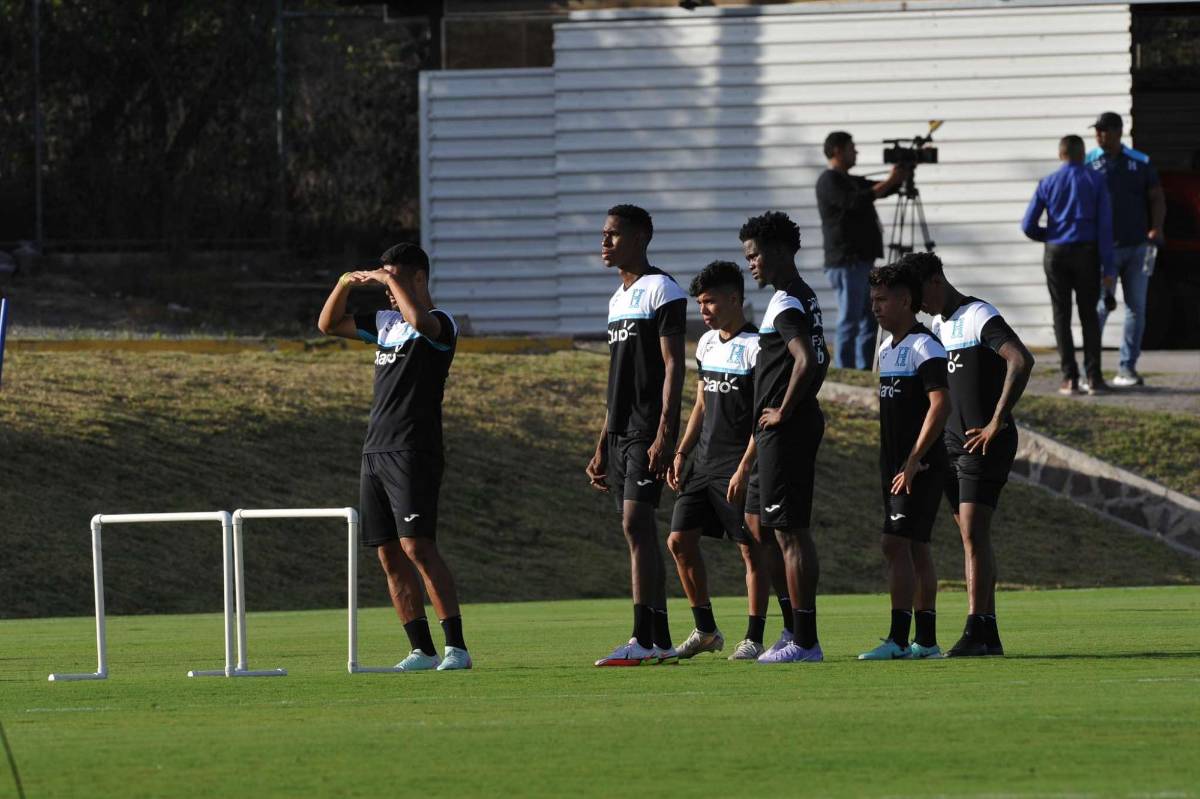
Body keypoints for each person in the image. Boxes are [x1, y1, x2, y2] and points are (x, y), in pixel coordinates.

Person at [316, 243, 471, 671]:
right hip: (375, 451)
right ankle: (422, 649)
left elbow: (420, 320)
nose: (386, 288)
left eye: (396, 278)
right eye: (384, 278)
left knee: (417, 546)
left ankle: (457, 647)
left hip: (413, 450)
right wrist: (345, 282)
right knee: (387, 553)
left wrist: (387, 280)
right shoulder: (385, 325)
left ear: (418, 278)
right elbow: (328, 324)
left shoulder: (441, 323)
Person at [910, 252, 1034, 658]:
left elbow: (1020, 358)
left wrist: (998, 420)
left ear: (935, 280)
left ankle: (974, 629)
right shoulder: (936, 327)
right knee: (970, 536)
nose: (917, 304)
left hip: (985, 441)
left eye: (918, 293)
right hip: (950, 446)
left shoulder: (978, 314)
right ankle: (988, 632)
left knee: (973, 532)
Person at [666, 260, 787, 662]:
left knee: (751, 551)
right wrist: (682, 451)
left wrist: (745, 465)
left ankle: (754, 636)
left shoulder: (758, 347)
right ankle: (705, 630)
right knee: (678, 542)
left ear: (735, 299)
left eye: (710, 302)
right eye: (700, 302)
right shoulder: (705, 343)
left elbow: (763, 414)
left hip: (738, 464)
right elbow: (701, 400)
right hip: (702, 463)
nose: (703, 310)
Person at [586, 204, 687, 667]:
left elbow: (673, 365)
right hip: (621, 431)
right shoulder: (616, 299)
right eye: (603, 235)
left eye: (613, 235)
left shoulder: (662, 289)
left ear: (641, 238)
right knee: (638, 529)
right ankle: (660, 638)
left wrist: (666, 430)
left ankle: (642, 638)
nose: (604, 243)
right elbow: (618, 378)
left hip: (649, 428)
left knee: (635, 524)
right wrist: (602, 442)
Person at [728, 211, 829, 664]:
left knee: (790, 532)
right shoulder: (800, 297)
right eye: (747, 256)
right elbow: (820, 362)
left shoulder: (788, 301)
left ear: (781, 252)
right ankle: (792, 630)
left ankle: (805, 640)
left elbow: (806, 360)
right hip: (779, 431)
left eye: (756, 255)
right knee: (761, 527)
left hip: (784, 429)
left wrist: (786, 410)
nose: (750, 263)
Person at [858, 263, 950, 661]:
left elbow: (941, 403)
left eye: (882, 299)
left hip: (920, 467)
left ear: (906, 301)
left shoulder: (924, 346)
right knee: (914, 549)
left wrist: (914, 459)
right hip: (892, 466)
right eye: (872, 299)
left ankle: (898, 640)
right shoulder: (886, 348)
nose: (875, 307)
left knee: (894, 544)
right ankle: (925, 642)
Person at [1021, 134, 1115, 395]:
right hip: (1087, 252)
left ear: (1061, 154)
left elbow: (1028, 225)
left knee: (1061, 315)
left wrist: (1049, 237)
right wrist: (1109, 268)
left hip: (1056, 253)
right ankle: (1094, 378)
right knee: (1089, 316)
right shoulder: (1096, 180)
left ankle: (1069, 378)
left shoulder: (1048, 182)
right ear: (1083, 154)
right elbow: (1105, 228)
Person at [815, 131, 910, 370]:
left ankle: (864, 368)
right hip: (846, 262)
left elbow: (878, 190)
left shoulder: (849, 180)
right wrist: (890, 180)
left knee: (870, 318)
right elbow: (856, 201)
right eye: (851, 147)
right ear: (837, 150)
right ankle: (844, 368)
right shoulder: (829, 180)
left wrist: (898, 177)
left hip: (862, 262)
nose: (856, 152)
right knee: (850, 318)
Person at [1086, 111, 1167, 387]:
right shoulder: (1088, 163)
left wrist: (1156, 227)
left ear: (1118, 132)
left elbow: (1156, 197)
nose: (1098, 135)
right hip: (1103, 250)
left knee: (1136, 308)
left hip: (1136, 247)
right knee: (1099, 307)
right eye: (1096, 130)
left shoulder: (1140, 163)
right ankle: (1092, 370)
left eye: (1103, 130)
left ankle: (1127, 368)